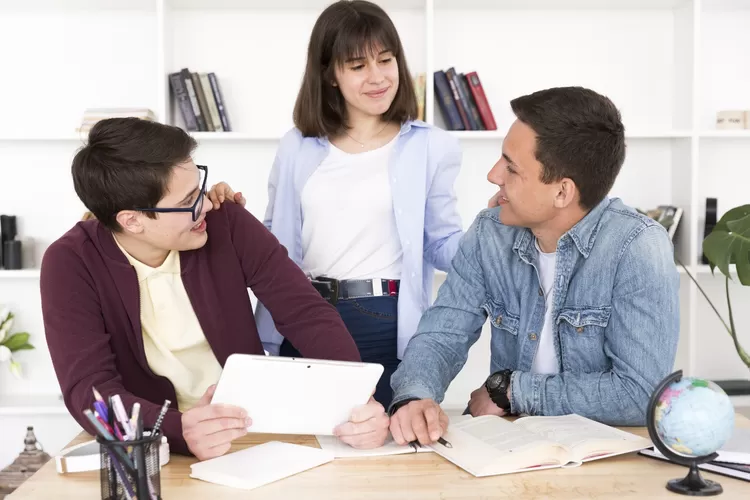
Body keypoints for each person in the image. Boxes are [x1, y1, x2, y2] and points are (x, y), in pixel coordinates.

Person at [39, 117, 390, 461]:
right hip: (150, 446)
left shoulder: (226, 221)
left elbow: (305, 313)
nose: (207, 204)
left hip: (250, 427)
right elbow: (91, 390)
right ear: (132, 220)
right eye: (187, 201)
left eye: (200, 188)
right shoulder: (70, 263)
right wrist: (179, 429)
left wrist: (357, 399)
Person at [387, 86, 680, 447]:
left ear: (562, 192)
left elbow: (640, 394)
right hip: (510, 445)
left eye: (511, 168)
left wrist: (512, 389)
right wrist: (415, 395)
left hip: (605, 454)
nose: (494, 176)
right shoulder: (488, 233)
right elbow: (442, 334)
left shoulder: (637, 247)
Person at [207, 0, 463, 409]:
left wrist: (499, 232)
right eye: (358, 66)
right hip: (302, 312)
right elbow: (277, 240)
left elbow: (442, 240)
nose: (378, 77)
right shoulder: (297, 145)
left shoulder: (431, 145)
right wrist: (227, 212)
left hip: (383, 318)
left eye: (385, 59)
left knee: (377, 449)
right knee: (303, 444)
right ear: (329, 74)